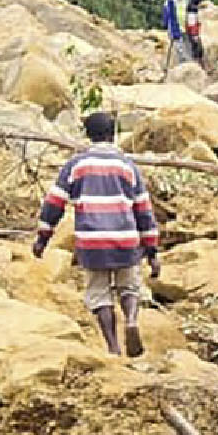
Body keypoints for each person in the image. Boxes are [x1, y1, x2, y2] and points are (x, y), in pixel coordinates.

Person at [33, 112, 161, 357]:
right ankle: (132, 320)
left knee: (98, 293)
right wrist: (152, 250)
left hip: (91, 242)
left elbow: (54, 203)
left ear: (88, 135)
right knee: (130, 287)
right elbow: (144, 209)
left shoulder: (76, 165)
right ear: (113, 135)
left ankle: (113, 347)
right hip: (125, 240)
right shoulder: (127, 166)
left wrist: (43, 237)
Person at [162, 0, 193, 67]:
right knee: (179, 48)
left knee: (188, 46)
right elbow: (166, 15)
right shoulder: (169, 2)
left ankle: (190, 64)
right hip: (175, 27)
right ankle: (182, 65)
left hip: (186, 27)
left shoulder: (186, 1)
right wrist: (166, 25)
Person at [184, 0, 209, 69]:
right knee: (197, 50)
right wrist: (195, 35)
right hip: (193, 32)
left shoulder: (191, 6)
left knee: (198, 50)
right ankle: (199, 68)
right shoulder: (192, 9)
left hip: (192, 32)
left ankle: (201, 67)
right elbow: (192, 23)